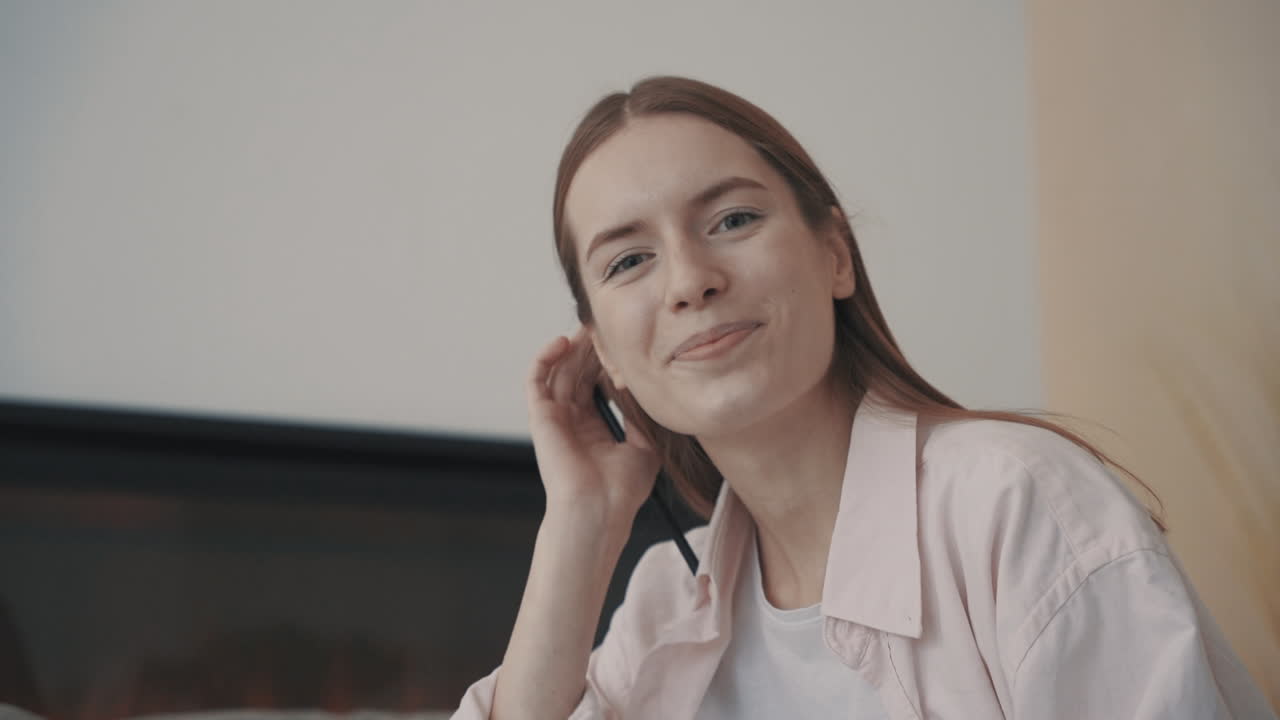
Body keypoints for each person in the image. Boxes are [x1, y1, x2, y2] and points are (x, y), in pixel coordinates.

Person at [452, 76, 1276, 719]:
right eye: (628, 262)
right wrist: (581, 525)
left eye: (733, 219)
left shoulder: (1013, 504)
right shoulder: (664, 604)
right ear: (607, 358)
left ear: (835, 257)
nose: (692, 281)